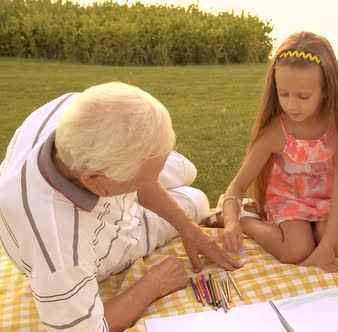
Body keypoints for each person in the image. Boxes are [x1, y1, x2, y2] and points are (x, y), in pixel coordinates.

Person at [0, 82, 241, 332]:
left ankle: (144, 172)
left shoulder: (75, 109)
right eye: (143, 180)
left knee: (187, 170)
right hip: (110, 236)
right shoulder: (59, 247)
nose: (153, 182)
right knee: (197, 199)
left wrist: (187, 228)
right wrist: (154, 283)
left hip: (109, 193)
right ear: (94, 180)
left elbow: (143, 177)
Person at [203, 31, 338, 272]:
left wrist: (325, 248)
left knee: (336, 244)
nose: (292, 105)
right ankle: (246, 220)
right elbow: (236, 187)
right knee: (296, 250)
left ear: (326, 89)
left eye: (303, 96)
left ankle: (317, 235)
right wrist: (232, 222)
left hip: (329, 201)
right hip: (289, 201)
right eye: (283, 94)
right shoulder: (276, 132)